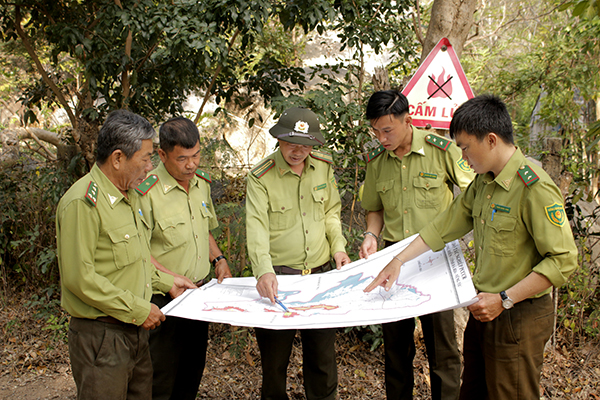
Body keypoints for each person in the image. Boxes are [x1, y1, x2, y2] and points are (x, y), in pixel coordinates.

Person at [365, 94, 578, 400]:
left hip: (517, 312)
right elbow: (445, 225)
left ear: (491, 140)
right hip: (484, 309)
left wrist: (504, 299)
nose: (462, 157)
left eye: (465, 147)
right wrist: (398, 260)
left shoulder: (534, 188)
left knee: (511, 394)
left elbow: (562, 261)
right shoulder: (484, 183)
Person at [56, 110, 194, 399]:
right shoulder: (83, 203)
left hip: (135, 332)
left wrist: (165, 282)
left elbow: (136, 259)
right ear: (118, 158)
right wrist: (138, 310)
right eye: (145, 158)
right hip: (102, 336)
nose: (150, 166)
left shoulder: (129, 196)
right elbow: (80, 279)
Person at [359, 90, 474, 400]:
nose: (381, 138)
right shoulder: (377, 162)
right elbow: (375, 208)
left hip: (435, 257)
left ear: (407, 120)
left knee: (443, 350)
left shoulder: (443, 151)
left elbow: (473, 191)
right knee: (396, 349)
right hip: (393, 259)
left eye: (387, 130)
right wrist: (371, 235)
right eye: (375, 131)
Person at [246, 107, 351, 400]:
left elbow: (331, 212)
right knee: (275, 364)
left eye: (306, 145)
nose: (298, 151)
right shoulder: (260, 176)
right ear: (279, 139)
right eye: (292, 143)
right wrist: (263, 271)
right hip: (279, 281)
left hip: (320, 276)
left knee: (322, 359)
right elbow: (256, 227)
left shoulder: (322, 165)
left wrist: (339, 249)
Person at [136, 116, 233, 400]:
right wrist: (169, 281)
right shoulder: (146, 191)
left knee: (192, 372)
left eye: (196, 155)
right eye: (182, 158)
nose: (191, 165)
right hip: (163, 299)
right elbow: (139, 250)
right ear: (162, 154)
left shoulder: (200, 183)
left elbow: (203, 230)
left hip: (198, 294)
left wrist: (219, 259)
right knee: (161, 377)